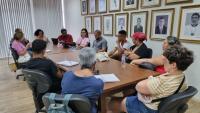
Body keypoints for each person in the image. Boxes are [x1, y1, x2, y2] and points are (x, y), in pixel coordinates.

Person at [121, 45, 194, 113]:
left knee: (115, 102)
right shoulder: (183, 77)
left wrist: (150, 80)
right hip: (162, 104)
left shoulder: (162, 82)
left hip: (149, 109)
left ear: (173, 65)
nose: (163, 61)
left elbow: (138, 86)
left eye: (165, 60)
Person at [61, 47, 104, 113]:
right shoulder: (98, 83)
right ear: (94, 63)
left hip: (66, 109)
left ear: (79, 62)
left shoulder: (67, 75)